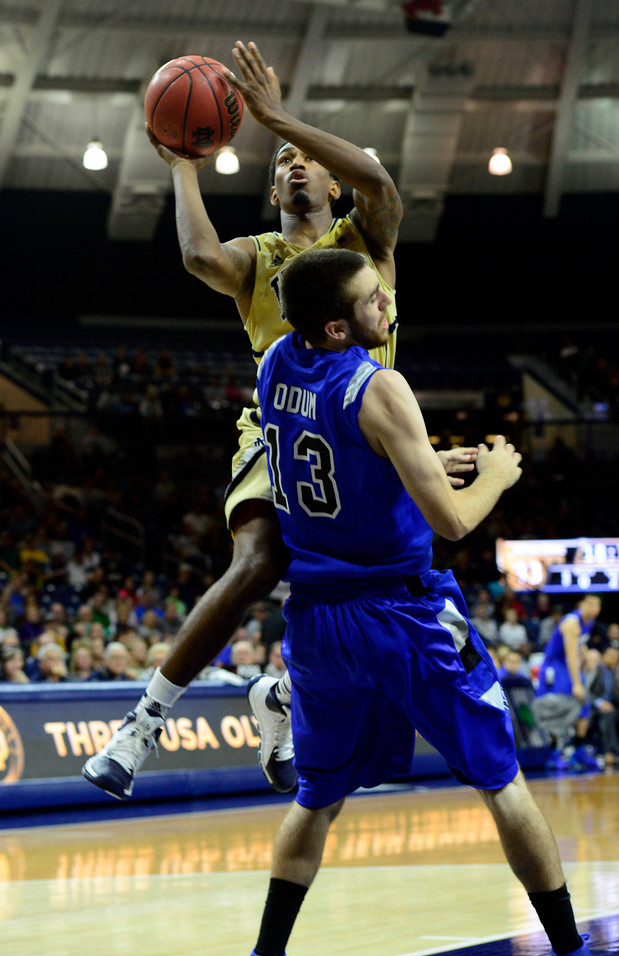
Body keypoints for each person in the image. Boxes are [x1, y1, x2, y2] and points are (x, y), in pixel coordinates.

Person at [225, 248, 618, 956]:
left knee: (316, 798)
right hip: (405, 613)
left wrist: (426, 459)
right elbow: (450, 521)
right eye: (374, 301)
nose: (388, 308)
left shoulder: (276, 360)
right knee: (501, 782)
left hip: (318, 617)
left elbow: (345, 455)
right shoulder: (382, 386)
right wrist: (497, 476)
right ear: (338, 325)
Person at [81, 39, 476, 801]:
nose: (291, 164)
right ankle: (142, 723)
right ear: (272, 194)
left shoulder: (365, 244)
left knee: (392, 606)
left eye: (303, 158)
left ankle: (283, 699)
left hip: (369, 433)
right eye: (279, 163)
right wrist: (182, 166)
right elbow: (199, 257)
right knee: (258, 561)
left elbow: (383, 184)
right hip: (284, 431)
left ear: (333, 180)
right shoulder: (259, 256)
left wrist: (275, 117)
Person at [533, 593, 602, 773]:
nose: (594, 609)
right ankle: (554, 753)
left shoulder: (589, 621)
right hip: (556, 666)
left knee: (584, 705)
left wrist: (588, 658)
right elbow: (571, 655)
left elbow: (581, 644)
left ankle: (577, 749)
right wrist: (577, 683)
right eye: (591, 605)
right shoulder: (571, 623)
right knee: (559, 708)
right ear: (582, 605)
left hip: (568, 665)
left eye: (597, 606)